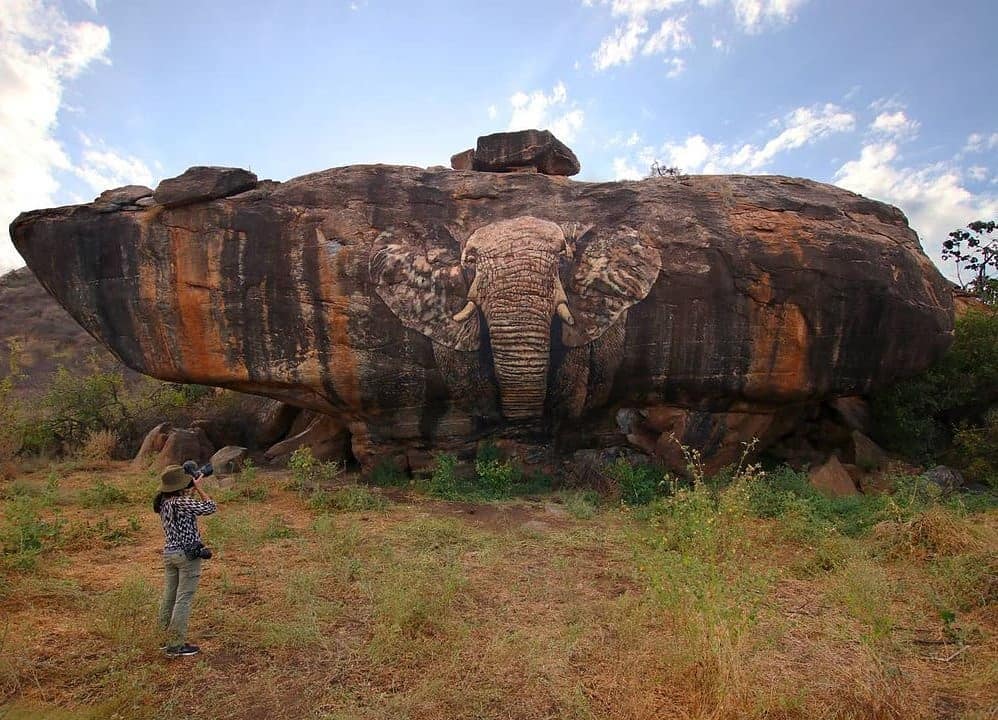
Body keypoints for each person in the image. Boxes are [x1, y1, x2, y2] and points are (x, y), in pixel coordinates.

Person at [152, 464, 217, 658]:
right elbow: (210, 507)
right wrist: (198, 487)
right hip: (187, 555)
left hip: (170, 554)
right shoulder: (180, 502)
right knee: (183, 599)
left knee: (169, 597)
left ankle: (162, 639)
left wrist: (189, 489)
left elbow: (187, 510)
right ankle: (176, 644)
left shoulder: (164, 503)